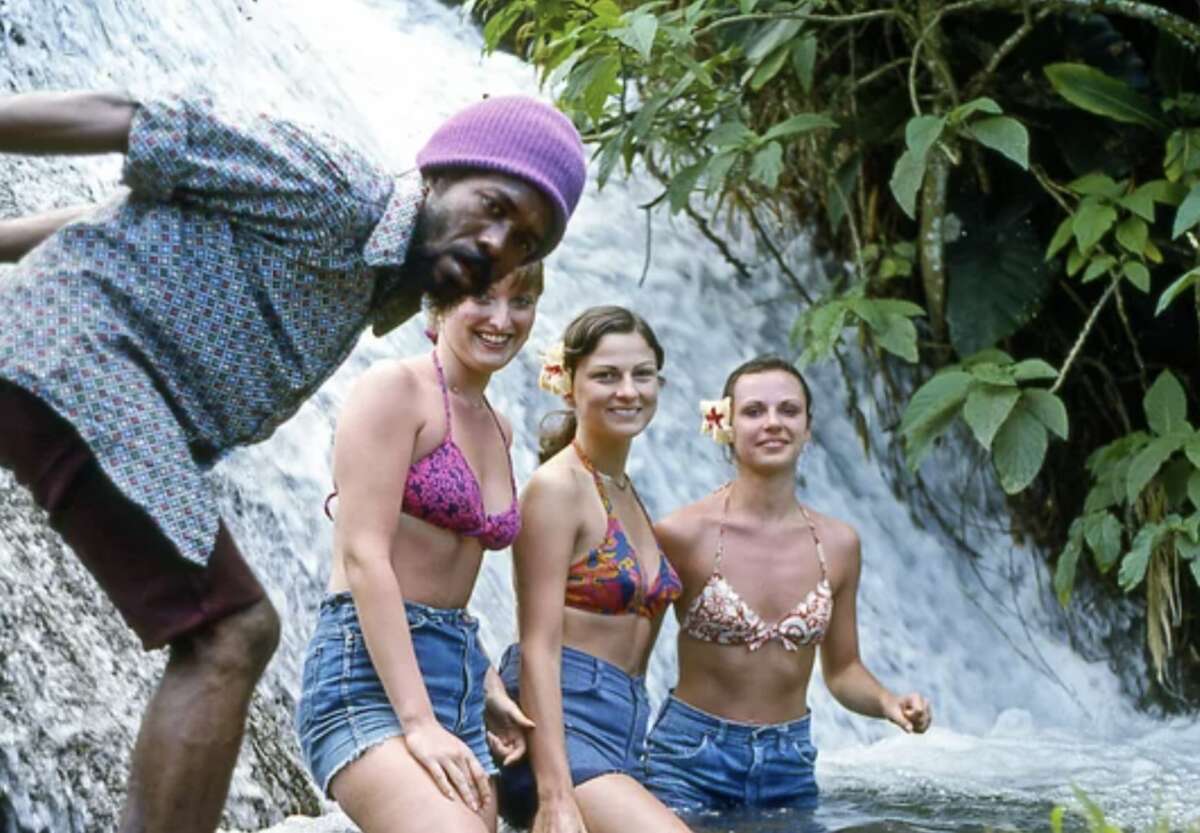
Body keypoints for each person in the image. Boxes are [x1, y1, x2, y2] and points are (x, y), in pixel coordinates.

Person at [0, 90, 585, 833]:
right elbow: (140, 123)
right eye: (493, 205)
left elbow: (145, 216)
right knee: (232, 632)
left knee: (228, 630)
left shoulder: (370, 280)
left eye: (526, 243)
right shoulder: (338, 191)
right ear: (441, 172)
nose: (497, 244)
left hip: (70, 371)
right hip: (71, 359)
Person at [296, 260, 545, 832]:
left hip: (454, 686)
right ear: (439, 302)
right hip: (367, 682)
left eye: (522, 300)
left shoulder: (500, 428)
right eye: (482, 295)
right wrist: (417, 720)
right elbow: (364, 556)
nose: (502, 319)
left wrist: (483, 683)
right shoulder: (394, 390)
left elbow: (449, 581)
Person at [644, 356, 933, 815]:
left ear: (808, 428)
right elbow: (632, 661)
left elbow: (842, 670)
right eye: (755, 411)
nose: (773, 423)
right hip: (689, 761)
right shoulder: (681, 536)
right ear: (726, 425)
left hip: (789, 764)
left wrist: (888, 701)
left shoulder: (839, 544)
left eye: (789, 411)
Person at [496, 306, 692, 833]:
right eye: (606, 375)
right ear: (567, 384)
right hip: (561, 730)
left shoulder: (623, 490)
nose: (627, 391)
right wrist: (554, 796)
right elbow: (538, 644)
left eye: (641, 374)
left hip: (624, 732)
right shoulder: (558, 488)